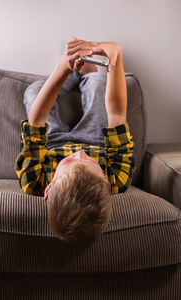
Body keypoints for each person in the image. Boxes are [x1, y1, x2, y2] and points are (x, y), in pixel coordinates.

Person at [15, 37, 136, 243]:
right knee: (98, 83)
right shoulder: (117, 179)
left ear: (48, 189)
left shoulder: (33, 181)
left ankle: (75, 71)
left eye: (70, 161)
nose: (79, 155)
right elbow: (116, 114)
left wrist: (63, 67)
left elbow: (36, 121)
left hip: (52, 142)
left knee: (33, 93)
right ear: (106, 184)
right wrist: (116, 56)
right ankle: (88, 74)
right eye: (91, 163)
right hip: (95, 140)